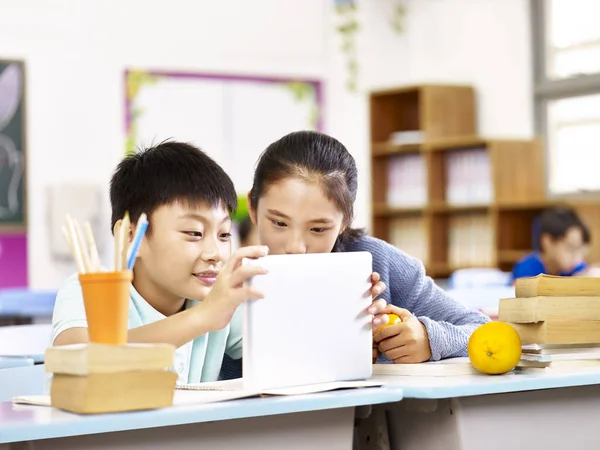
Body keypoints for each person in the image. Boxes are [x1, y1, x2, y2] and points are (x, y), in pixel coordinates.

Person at [52, 141, 387, 384]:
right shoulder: (88, 290)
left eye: (224, 235)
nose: (215, 252)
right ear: (130, 238)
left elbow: (297, 354)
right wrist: (204, 317)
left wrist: (358, 321)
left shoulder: (220, 299)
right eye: (194, 233)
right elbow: (82, 356)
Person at [245, 130, 489, 367]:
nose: (296, 247)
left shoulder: (380, 264)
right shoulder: (225, 279)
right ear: (253, 208)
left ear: (344, 223)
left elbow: (482, 329)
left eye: (318, 229)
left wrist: (429, 339)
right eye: (279, 223)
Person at [511, 207, 591, 282]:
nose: (577, 258)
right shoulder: (526, 268)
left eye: (581, 250)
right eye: (570, 249)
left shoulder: (576, 268)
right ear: (547, 242)